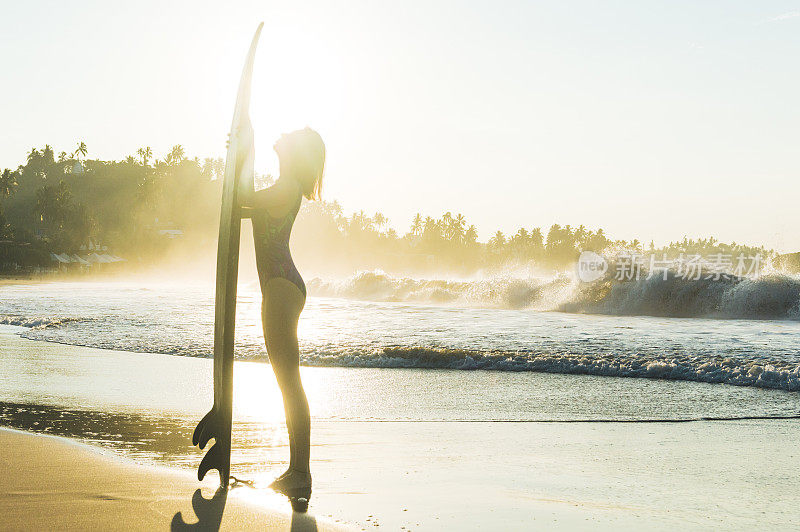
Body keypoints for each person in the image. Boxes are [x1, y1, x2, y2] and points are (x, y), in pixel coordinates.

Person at [240, 127, 325, 510]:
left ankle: (301, 473)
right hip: (280, 286)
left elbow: (238, 202)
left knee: (289, 382)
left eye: (290, 136)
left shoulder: (287, 187)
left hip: (281, 286)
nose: (283, 135)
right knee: (286, 381)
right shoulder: (284, 184)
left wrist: (246, 149)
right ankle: (297, 470)